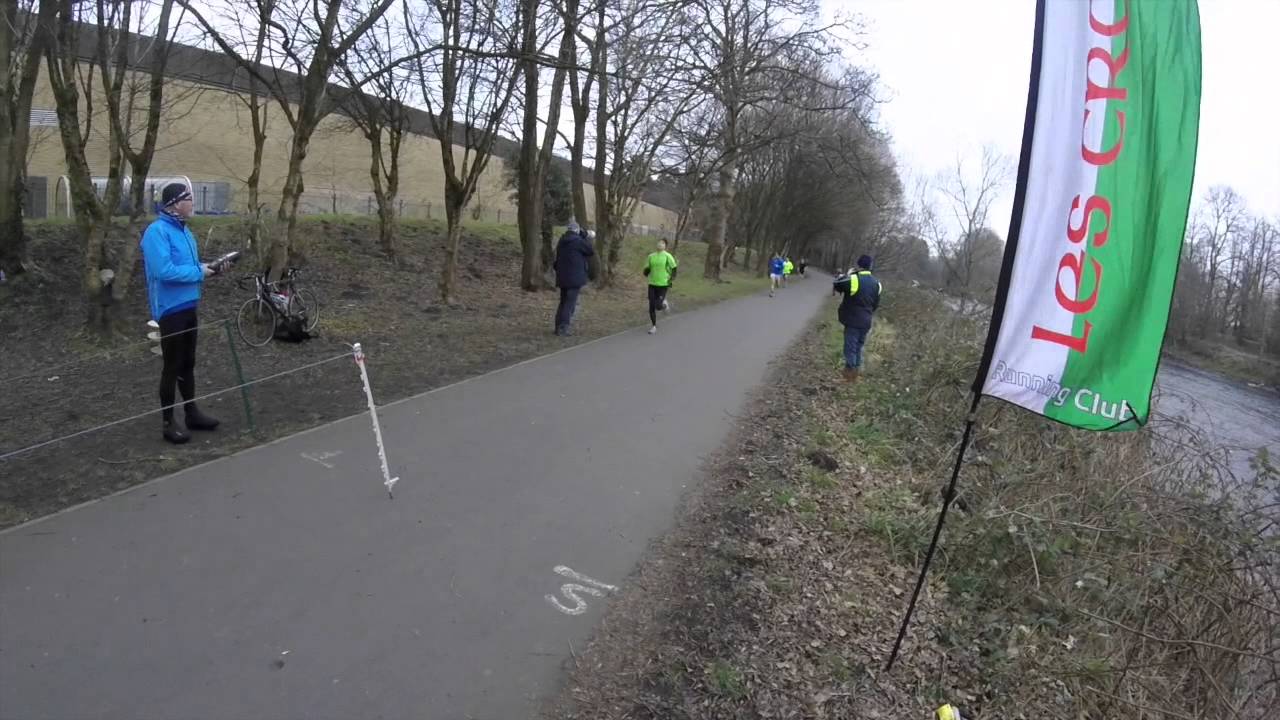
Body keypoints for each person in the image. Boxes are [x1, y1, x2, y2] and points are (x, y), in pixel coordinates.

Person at [140, 183, 219, 444]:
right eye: (189, 199)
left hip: (188, 306)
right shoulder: (156, 232)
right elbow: (165, 271)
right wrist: (199, 273)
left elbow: (189, 266)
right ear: (175, 203)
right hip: (169, 310)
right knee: (171, 367)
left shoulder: (186, 233)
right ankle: (167, 422)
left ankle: (191, 413)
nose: (193, 204)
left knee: (188, 363)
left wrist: (211, 267)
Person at [832, 254, 883, 383]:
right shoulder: (877, 284)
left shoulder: (854, 279)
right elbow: (875, 305)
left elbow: (837, 283)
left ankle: (849, 376)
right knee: (858, 347)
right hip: (866, 321)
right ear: (870, 266)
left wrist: (848, 274)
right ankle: (855, 374)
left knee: (850, 347)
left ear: (859, 265)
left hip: (853, 320)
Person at [552, 221, 595, 336]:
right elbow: (590, 251)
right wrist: (586, 237)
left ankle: (557, 327)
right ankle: (563, 328)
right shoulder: (578, 241)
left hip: (562, 277)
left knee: (563, 302)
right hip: (575, 278)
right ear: (577, 230)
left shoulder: (561, 241)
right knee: (569, 304)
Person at [643, 238, 678, 334]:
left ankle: (663, 305)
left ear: (665, 245)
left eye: (662, 243)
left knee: (658, 306)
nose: (660, 244)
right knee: (651, 305)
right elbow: (646, 268)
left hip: (663, 284)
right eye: (659, 242)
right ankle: (653, 326)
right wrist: (646, 271)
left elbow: (674, 268)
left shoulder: (667, 256)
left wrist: (671, 279)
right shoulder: (651, 256)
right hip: (652, 284)